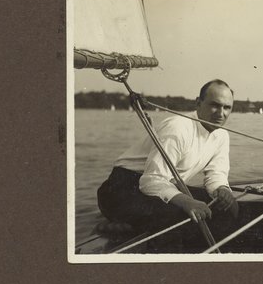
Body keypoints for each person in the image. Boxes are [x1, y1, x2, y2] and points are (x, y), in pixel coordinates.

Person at [96, 80, 239, 247]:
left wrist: (222, 190)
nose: (221, 113)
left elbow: (216, 173)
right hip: (121, 190)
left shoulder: (221, 135)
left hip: (161, 187)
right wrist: (187, 202)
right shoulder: (178, 128)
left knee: (226, 208)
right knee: (180, 216)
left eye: (227, 107)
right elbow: (151, 180)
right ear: (198, 103)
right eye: (215, 105)